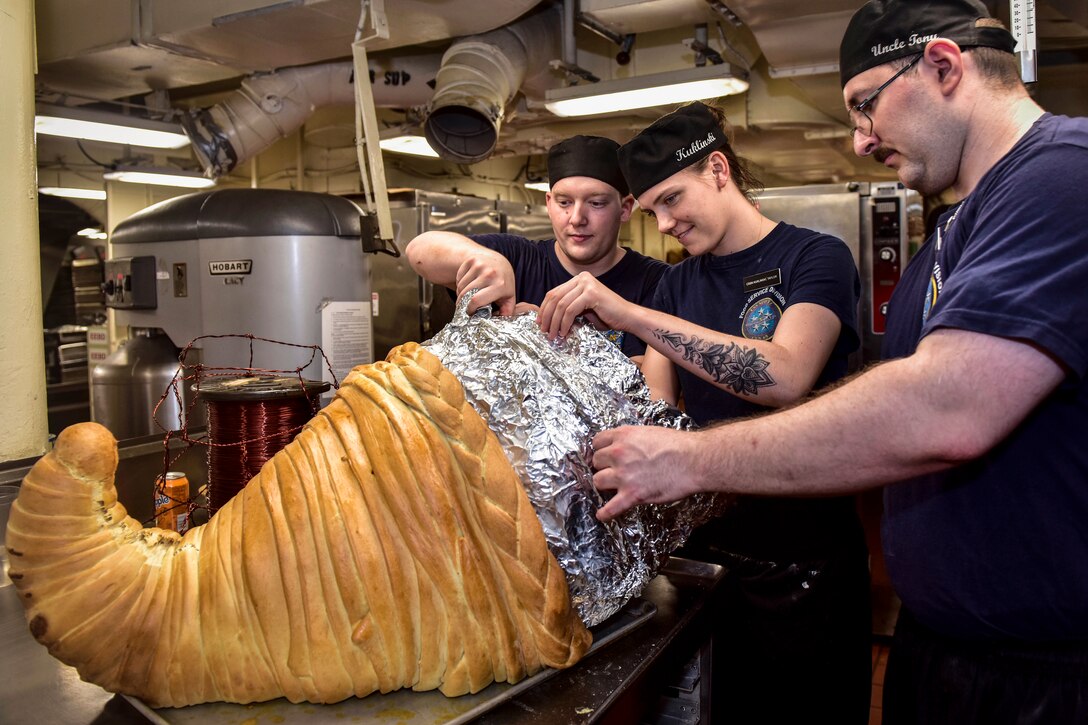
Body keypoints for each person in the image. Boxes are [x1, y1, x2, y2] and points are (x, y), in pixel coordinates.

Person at [587, 1, 1088, 722]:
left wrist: (690, 460)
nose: (859, 141)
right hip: (946, 652)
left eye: (864, 106)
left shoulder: (1061, 176)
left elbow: (943, 407)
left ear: (943, 65)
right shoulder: (949, 236)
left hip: (1041, 673)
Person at [538, 102, 872, 724]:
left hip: (807, 563)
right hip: (709, 562)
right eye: (652, 208)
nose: (663, 224)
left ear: (717, 169)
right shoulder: (677, 287)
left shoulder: (814, 258)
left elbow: (784, 375)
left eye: (671, 199)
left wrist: (631, 314)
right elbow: (657, 417)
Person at [405, 135, 667, 362]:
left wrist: (541, 335)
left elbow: (650, 389)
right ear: (549, 203)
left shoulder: (657, 283)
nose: (577, 218)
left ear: (624, 208)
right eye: (564, 202)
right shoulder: (520, 258)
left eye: (596, 203)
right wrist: (483, 258)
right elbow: (419, 250)